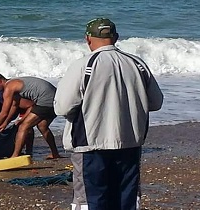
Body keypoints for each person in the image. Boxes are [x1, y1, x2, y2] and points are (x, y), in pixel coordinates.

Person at [53, 18, 164, 210]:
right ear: (116, 37)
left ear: (87, 39)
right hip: (130, 141)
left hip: (90, 143)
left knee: (90, 200)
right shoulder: (137, 63)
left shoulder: (83, 64)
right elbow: (155, 103)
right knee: (125, 199)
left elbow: (62, 107)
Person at [0, 72, 61, 159]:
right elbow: (14, 106)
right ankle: (55, 153)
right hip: (57, 99)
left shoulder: (9, 87)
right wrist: (5, 123)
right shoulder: (13, 84)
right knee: (42, 126)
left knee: (23, 127)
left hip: (46, 100)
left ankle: (15, 156)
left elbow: (4, 112)